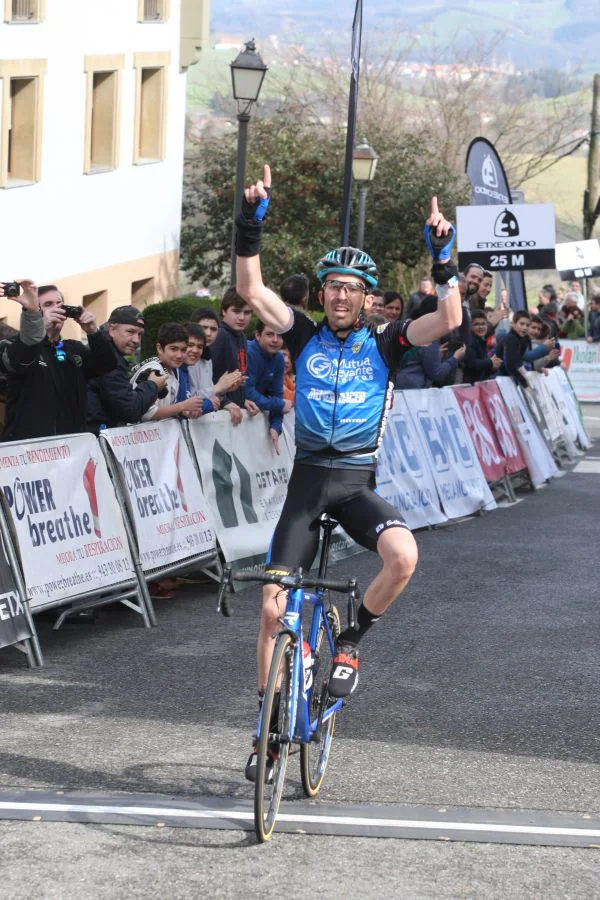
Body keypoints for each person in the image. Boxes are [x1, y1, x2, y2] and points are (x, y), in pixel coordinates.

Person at [235, 164, 462, 781]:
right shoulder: (303, 333)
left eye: (351, 288)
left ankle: (351, 642)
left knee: (405, 557)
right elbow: (252, 291)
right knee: (270, 609)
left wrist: (443, 258)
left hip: (357, 483)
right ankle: (267, 728)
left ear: (366, 297)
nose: (339, 295)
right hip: (308, 485)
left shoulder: (387, 343)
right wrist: (250, 223)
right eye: (331, 285)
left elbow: (448, 321)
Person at [1, 283, 116, 442]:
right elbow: (19, 359)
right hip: (28, 451)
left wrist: (93, 332)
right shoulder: (15, 345)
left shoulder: (74, 349)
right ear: (35, 312)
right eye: (48, 305)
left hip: (71, 448)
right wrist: (39, 327)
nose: (57, 310)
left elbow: (107, 364)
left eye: (60, 305)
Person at [87, 306, 167, 433]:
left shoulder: (109, 354)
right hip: (94, 437)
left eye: (140, 335)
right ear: (112, 330)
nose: (136, 340)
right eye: (130, 332)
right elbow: (130, 410)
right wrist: (152, 385)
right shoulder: (108, 359)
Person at [131, 323, 203, 422]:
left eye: (183, 350)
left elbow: (164, 408)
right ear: (159, 348)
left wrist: (183, 411)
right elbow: (147, 414)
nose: (179, 355)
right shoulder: (153, 370)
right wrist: (182, 406)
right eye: (173, 349)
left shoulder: (172, 371)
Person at [394, 296, 465, 389]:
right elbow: (437, 374)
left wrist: (435, 354)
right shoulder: (430, 337)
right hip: (412, 392)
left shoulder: (409, 327)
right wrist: (455, 359)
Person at [210, 288, 260, 420]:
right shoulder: (220, 335)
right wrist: (224, 402)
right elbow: (204, 379)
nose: (242, 317)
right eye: (236, 311)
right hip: (215, 414)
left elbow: (236, 378)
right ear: (224, 311)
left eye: (247, 312)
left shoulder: (242, 337)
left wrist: (242, 400)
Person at [246, 321, 292, 454]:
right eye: (270, 334)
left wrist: (276, 427)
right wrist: (279, 404)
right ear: (258, 335)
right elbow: (247, 392)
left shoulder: (278, 358)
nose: (275, 340)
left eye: (279, 335)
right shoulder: (249, 352)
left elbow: (277, 396)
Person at [463, 310, 502, 383]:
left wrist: (493, 367)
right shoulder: (470, 341)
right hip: (468, 387)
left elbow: (482, 370)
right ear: (470, 326)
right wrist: (490, 362)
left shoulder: (481, 341)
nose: (481, 327)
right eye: (476, 324)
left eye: (483, 324)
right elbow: (471, 364)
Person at [496, 310, 532, 388]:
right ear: (514, 324)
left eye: (527, 325)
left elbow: (518, 360)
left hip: (509, 375)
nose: (524, 327)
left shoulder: (525, 339)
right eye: (522, 324)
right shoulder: (511, 339)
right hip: (499, 376)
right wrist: (524, 383)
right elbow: (510, 364)